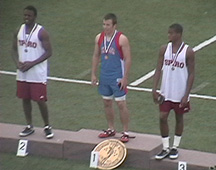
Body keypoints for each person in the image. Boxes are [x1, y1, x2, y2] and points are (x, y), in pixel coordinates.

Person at [152, 23, 195, 159]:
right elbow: (158, 69)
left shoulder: (188, 51)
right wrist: (154, 89)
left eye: (171, 33)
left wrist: (186, 95)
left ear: (179, 34)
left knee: (179, 117)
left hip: (180, 92)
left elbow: (192, 74)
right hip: (166, 91)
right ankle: (165, 147)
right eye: (168, 33)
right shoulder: (164, 49)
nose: (169, 35)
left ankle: (175, 147)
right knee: (162, 117)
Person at [12, 5, 54, 139]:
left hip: (37, 73)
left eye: (29, 16)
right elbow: (13, 49)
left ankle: (47, 126)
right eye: (25, 15)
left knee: (40, 100)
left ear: (34, 17)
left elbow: (49, 52)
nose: (26, 18)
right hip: (23, 72)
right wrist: (17, 63)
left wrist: (32, 63)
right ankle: (29, 125)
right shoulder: (19, 30)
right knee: (25, 98)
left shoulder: (41, 32)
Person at [91, 13, 132, 143]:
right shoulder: (99, 37)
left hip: (117, 76)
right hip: (105, 76)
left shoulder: (121, 39)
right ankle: (111, 128)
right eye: (104, 24)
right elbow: (96, 56)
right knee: (107, 102)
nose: (105, 27)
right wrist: (93, 73)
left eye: (108, 25)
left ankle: (125, 131)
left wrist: (125, 77)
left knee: (121, 103)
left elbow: (128, 58)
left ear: (114, 25)